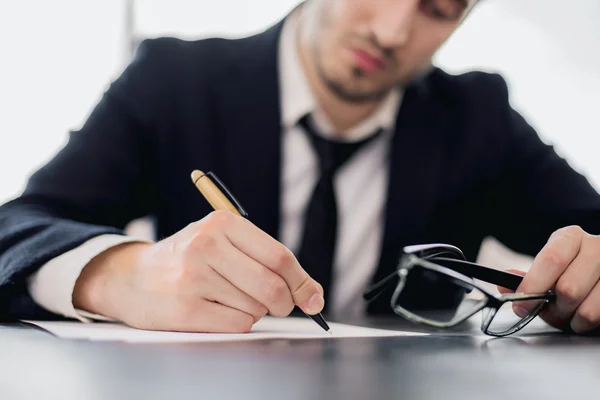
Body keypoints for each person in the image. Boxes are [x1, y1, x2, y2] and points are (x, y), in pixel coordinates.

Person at [1, 0, 600, 335]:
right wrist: (116, 275)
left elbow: (589, 233)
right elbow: (17, 228)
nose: (393, 31)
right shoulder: (171, 83)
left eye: (438, 7)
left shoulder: (479, 118)